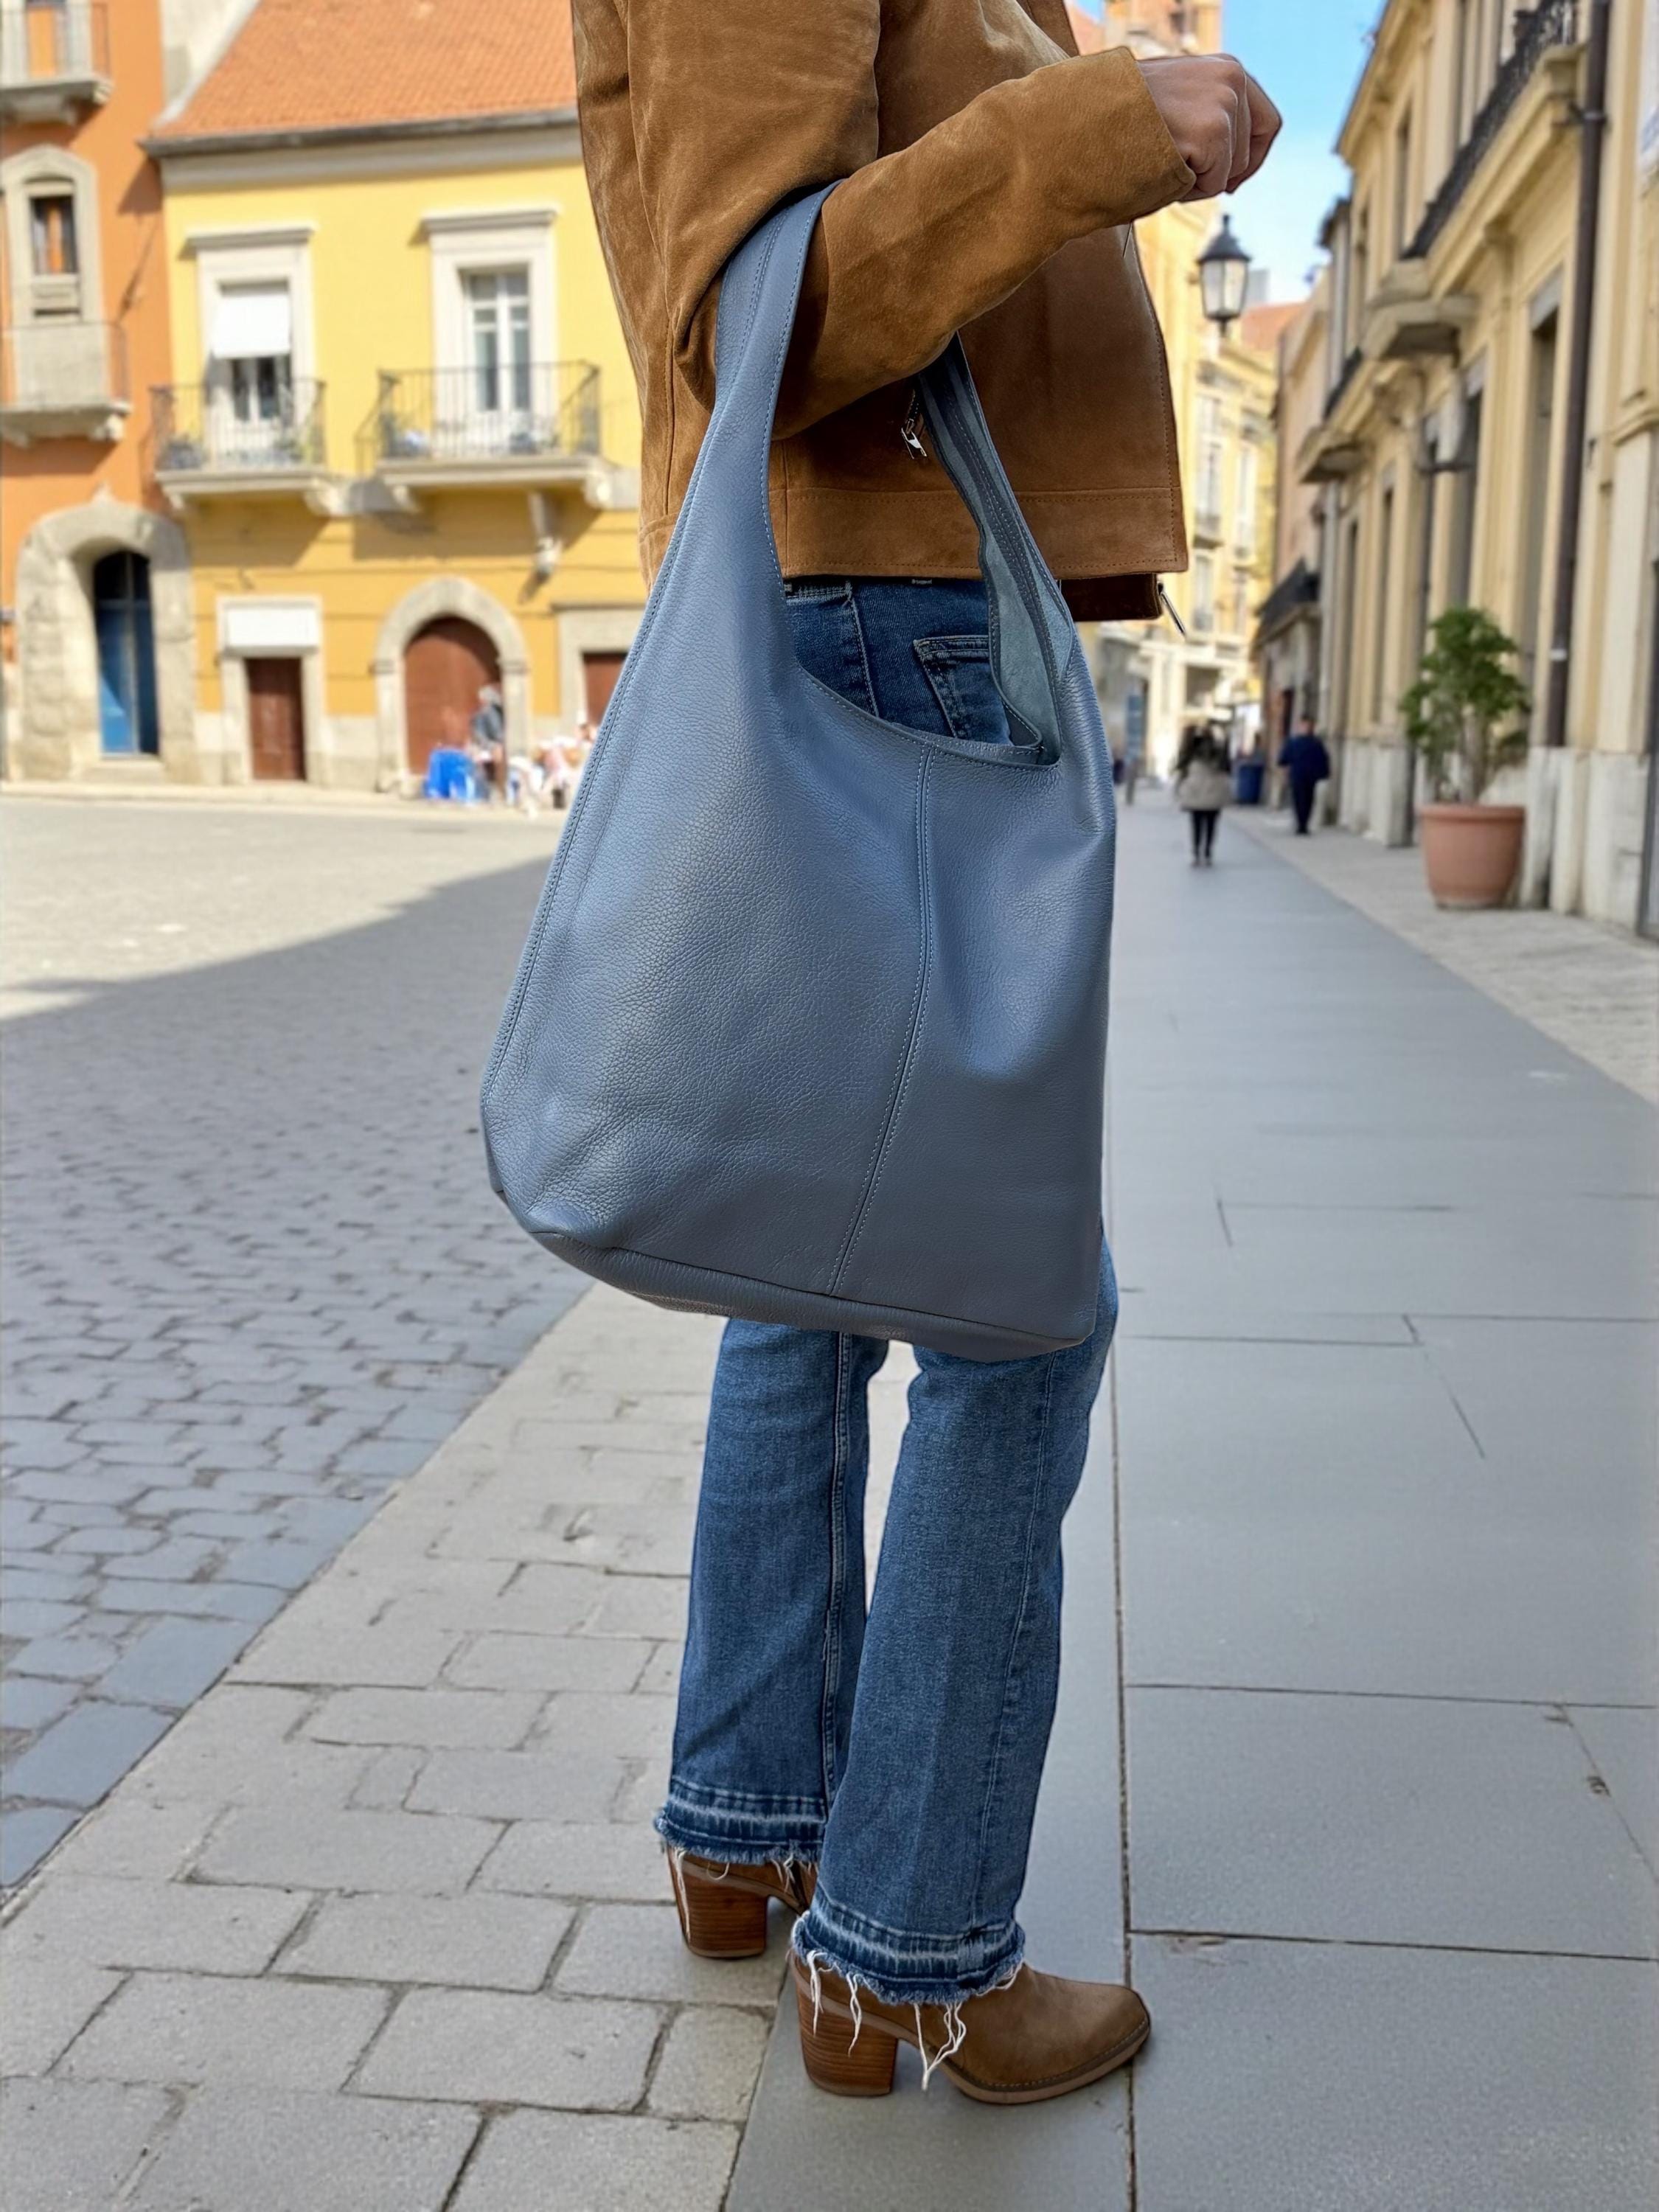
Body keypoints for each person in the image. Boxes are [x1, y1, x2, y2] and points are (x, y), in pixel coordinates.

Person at [574, 0, 1279, 2106]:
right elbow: (771, 310)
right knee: (1016, 1303)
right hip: (893, 605)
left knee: (806, 1273)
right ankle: (907, 1945)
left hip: (877, 590)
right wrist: (1097, 124)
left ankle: (749, 1826)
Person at [1177, 724, 1232, 866]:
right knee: (1211, 825)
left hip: (1195, 793)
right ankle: (1208, 853)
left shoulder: (1191, 752)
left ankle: (1196, 853)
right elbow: (1227, 766)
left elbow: (1180, 764)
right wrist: (1226, 738)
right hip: (1214, 793)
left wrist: (1188, 734)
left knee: (1196, 825)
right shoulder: (1218, 753)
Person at [1279, 716, 1332, 835]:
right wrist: (1285, 774)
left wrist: (1323, 774)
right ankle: (1300, 824)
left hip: (1310, 776)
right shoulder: (1294, 742)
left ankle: (1304, 824)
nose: (1306, 728)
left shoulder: (1316, 743)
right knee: (1298, 799)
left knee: (1308, 800)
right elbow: (1284, 760)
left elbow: (1323, 759)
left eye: (1308, 726)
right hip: (1297, 775)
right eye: (1304, 726)